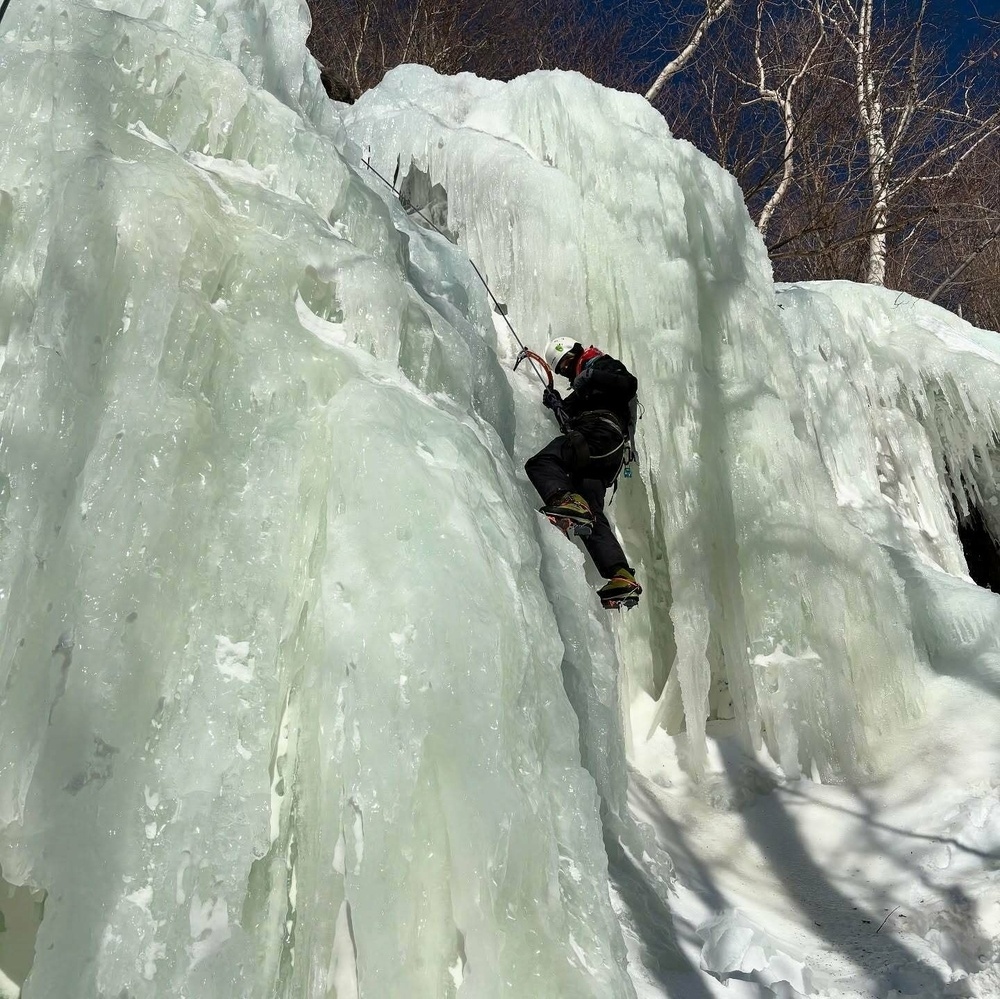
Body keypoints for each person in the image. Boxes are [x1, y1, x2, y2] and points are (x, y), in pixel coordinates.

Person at [525, 337, 642, 607]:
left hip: (599, 435)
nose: (567, 371)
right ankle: (620, 575)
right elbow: (569, 412)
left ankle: (566, 499)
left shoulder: (602, 365)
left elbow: (628, 383)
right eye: (562, 370)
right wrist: (556, 404)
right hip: (604, 457)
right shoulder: (584, 390)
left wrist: (591, 374)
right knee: (591, 514)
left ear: (576, 353)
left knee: (541, 463)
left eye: (567, 364)